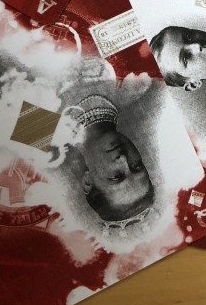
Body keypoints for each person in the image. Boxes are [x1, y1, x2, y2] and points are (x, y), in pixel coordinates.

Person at [66, 95, 155, 231]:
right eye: (136, 166)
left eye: (116, 176)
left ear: (88, 181)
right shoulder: (137, 92)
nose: (124, 159)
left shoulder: (39, 125)